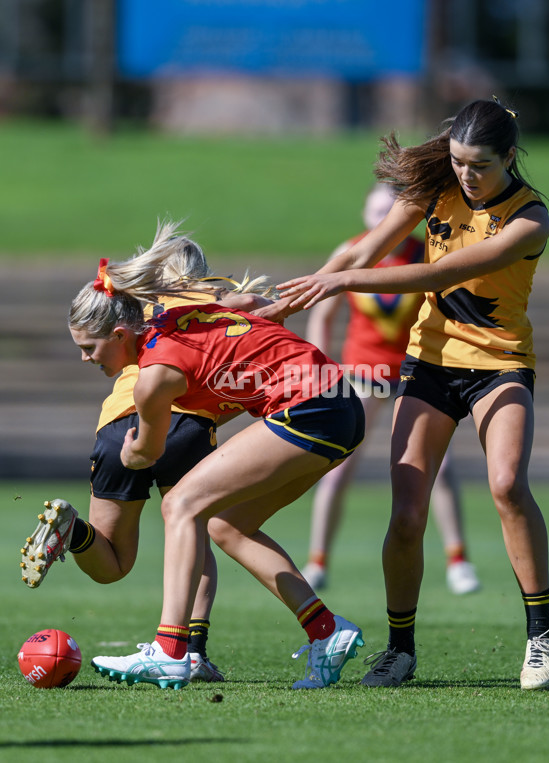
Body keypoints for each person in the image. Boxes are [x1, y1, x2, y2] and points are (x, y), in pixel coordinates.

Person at [274, 98, 549, 690]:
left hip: (499, 365)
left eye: (479, 164)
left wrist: (346, 280)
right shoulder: (434, 187)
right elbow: (361, 249)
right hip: (428, 363)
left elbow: (437, 274)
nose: (465, 174)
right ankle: (400, 649)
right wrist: (288, 299)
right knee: (406, 513)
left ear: (510, 157)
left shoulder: (530, 218)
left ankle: (541, 636)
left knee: (506, 485)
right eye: (457, 161)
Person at [62, 221, 365, 690]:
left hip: (308, 408)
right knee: (226, 524)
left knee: (179, 505)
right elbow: (242, 304)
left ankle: (170, 649)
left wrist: (133, 452)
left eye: (90, 348)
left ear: (121, 334)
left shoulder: (154, 376)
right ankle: (326, 632)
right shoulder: (176, 318)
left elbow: (147, 451)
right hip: (339, 408)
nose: (86, 359)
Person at [20, 247, 272, 682]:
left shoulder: (141, 309)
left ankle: (74, 531)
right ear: (202, 274)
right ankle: (192, 652)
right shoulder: (206, 302)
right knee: (195, 532)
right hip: (185, 425)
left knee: (113, 567)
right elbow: (248, 306)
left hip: (117, 430)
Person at [300, 183, 480, 596]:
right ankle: (318, 562)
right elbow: (322, 315)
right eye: (376, 211)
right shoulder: (351, 252)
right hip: (362, 372)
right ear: (364, 212)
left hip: (417, 374)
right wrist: (320, 369)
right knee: (336, 467)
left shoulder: (427, 254)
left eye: (390, 212)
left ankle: (458, 561)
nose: (382, 219)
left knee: (443, 466)